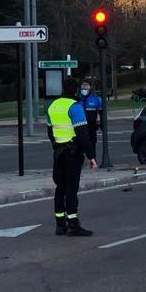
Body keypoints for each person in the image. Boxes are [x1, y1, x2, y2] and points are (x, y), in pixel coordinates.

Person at [47, 78, 98, 236]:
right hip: (72, 153)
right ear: (76, 91)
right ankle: (74, 225)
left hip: (58, 153)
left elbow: (50, 132)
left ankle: (60, 225)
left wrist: (56, 146)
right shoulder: (75, 107)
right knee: (71, 189)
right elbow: (83, 134)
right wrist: (91, 156)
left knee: (60, 188)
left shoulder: (53, 106)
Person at [79, 81, 104, 150]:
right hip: (80, 127)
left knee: (92, 146)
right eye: (82, 89)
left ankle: (92, 159)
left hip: (91, 127)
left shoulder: (96, 99)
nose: (83, 90)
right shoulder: (77, 99)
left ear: (89, 90)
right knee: (80, 148)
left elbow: (102, 113)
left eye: (85, 89)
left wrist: (102, 125)